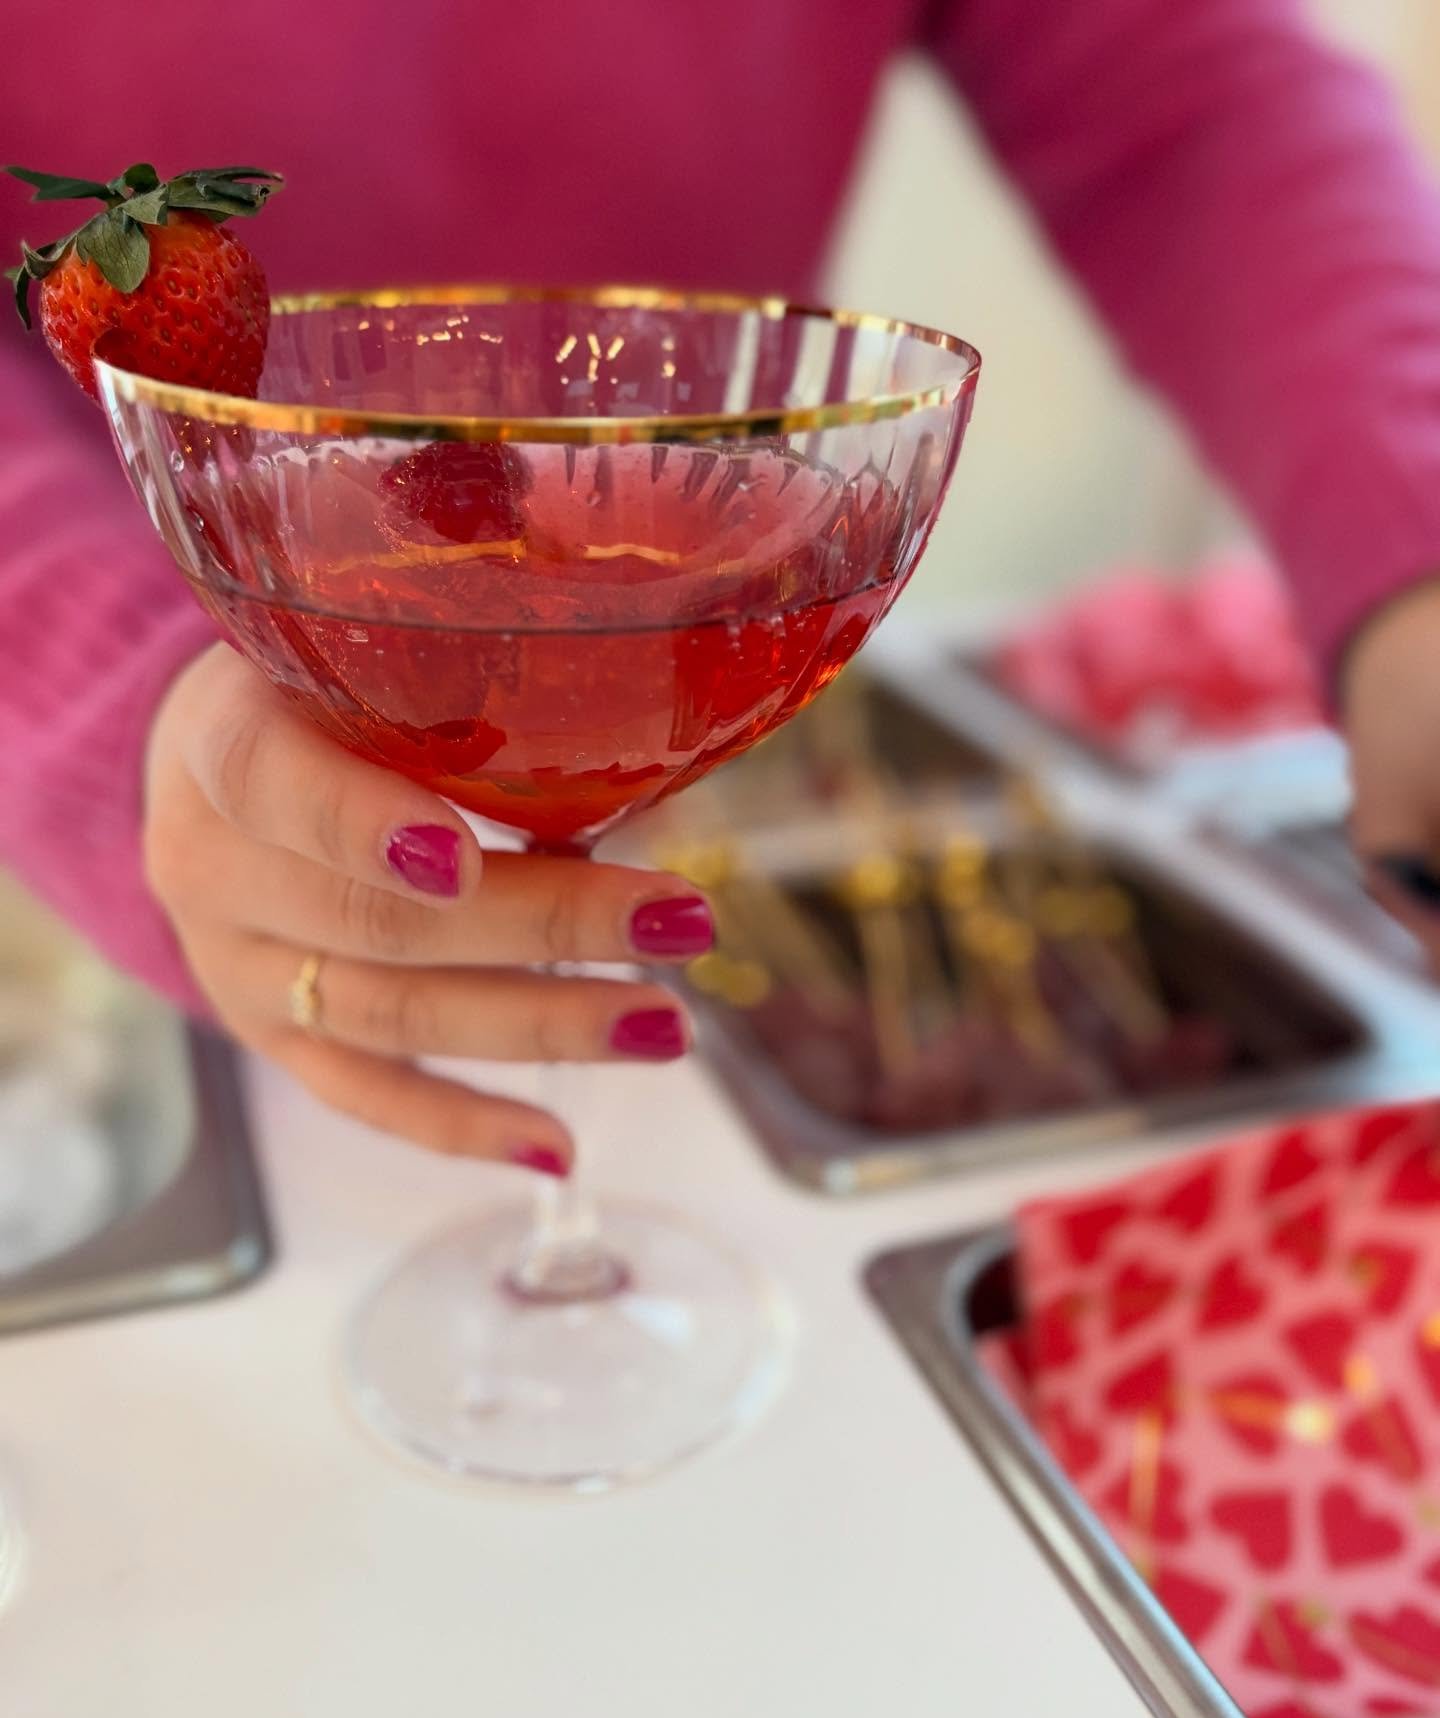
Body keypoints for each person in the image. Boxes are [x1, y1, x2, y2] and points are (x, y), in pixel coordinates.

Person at [7, 0, 1440, 1170]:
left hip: (673, 645)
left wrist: (1418, 562)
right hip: (183, 807)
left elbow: (1184, 102)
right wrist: (107, 702)